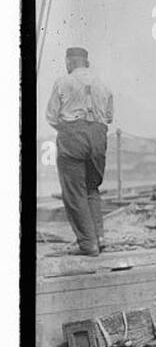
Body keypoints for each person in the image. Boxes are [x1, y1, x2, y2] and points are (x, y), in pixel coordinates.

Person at [45, 46, 113, 256]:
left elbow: (51, 116)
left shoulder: (62, 82)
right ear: (86, 62)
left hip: (73, 136)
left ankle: (87, 244)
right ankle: (99, 239)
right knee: (92, 189)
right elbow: (109, 117)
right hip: (98, 137)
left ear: (69, 62)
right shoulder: (103, 83)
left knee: (74, 193)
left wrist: (70, 131)